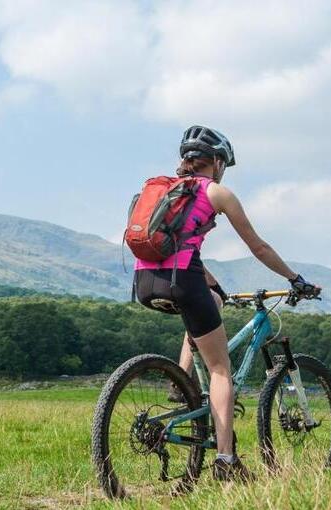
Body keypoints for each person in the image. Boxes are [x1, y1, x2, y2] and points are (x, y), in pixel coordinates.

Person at [133, 125, 318, 482]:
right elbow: (258, 247)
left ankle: (181, 381)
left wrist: (215, 286)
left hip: (145, 281)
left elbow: (178, 250)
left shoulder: (164, 190)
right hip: (183, 281)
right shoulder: (216, 192)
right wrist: (295, 279)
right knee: (221, 369)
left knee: (213, 301)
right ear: (217, 162)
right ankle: (226, 460)